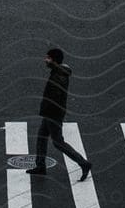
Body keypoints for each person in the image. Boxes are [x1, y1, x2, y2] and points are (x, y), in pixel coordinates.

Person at [32, 48, 90, 181]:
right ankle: (40, 166)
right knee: (41, 137)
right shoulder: (58, 72)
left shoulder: (58, 76)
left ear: (53, 60)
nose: (45, 60)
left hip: (53, 114)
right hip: (50, 114)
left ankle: (84, 163)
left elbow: (55, 98)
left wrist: (48, 112)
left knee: (58, 142)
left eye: (48, 58)